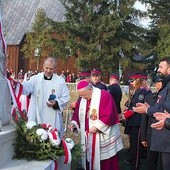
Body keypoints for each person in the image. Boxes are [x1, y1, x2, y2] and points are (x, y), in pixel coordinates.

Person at [69, 81, 123, 170]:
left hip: (102, 135)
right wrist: (73, 123)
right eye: (81, 96)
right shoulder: (83, 98)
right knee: (89, 157)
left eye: (84, 95)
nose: (83, 98)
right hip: (88, 135)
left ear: (90, 89)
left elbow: (108, 114)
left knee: (105, 160)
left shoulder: (104, 95)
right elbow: (77, 113)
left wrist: (97, 127)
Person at [133, 57, 170, 170]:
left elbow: (166, 108)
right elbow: (161, 105)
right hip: (163, 137)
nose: (158, 69)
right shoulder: (166, 86)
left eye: (160, 67)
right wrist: (149, 108)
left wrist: (148, 110)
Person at [22, 57, 69, 137]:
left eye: (51, 69)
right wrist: (19, 85)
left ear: (55, 69)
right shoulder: (35, 79)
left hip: (53, 114)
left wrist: (56, 102)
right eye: (47, 68)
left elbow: (66, 97)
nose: (48, 70)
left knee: (53, 137)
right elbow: (26, 88)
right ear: (43, 66)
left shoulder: (60, 81)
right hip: (37, 113)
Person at [123, 73, 148, 170]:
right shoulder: (137, 91)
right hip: (133, 122)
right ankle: (133, 164)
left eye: (133, 81)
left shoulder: (142, 92)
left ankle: (135, 166)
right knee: (133, 146)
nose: (132, 83)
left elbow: (137, 108)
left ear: (137, 80)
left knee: (136, 148)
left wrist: (125, 115)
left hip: (138, 122)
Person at [140, 75, 162, 170]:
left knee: (163, 163)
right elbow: (144, 119)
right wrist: (143, 137)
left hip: (164, 136)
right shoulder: (149, 97)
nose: (160, 85)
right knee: (151, 162)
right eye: (158, 82)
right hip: (151, 135)